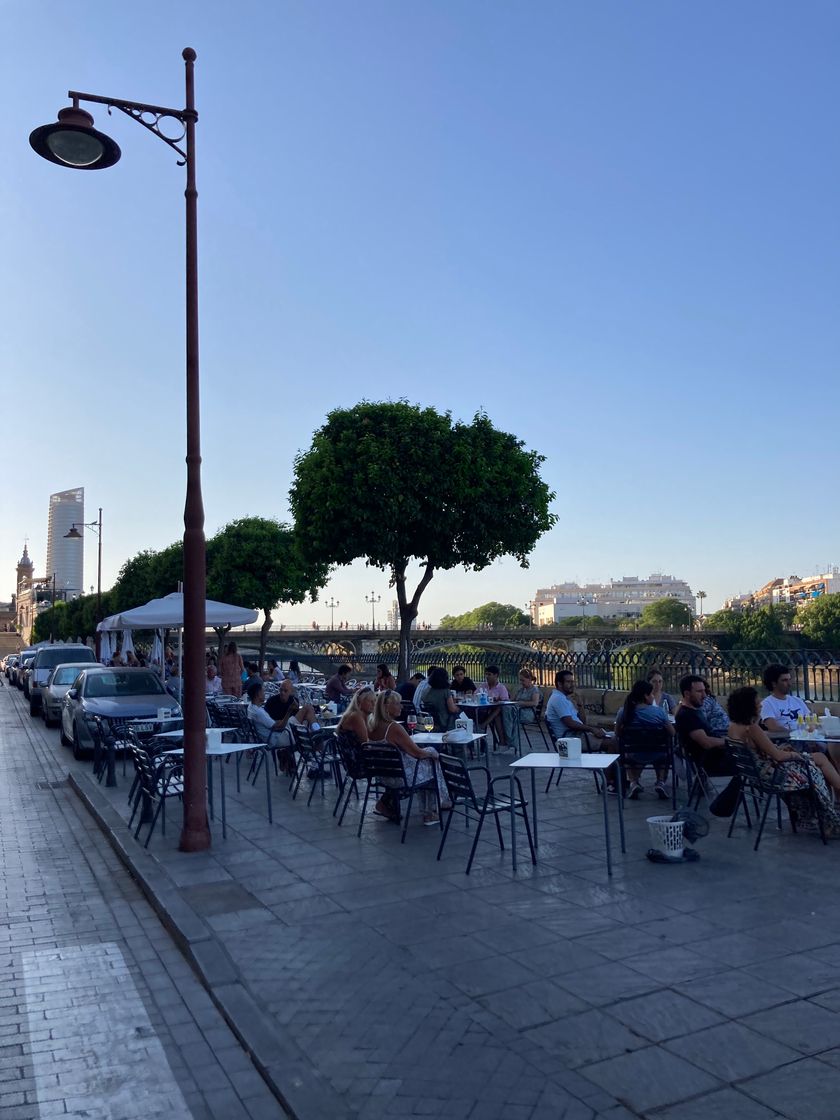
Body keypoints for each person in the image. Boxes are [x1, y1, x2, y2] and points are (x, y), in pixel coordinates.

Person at [726, 686, 840, 833]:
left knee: (817, 759)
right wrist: (795, 755)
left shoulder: (733, 727)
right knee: (819, 761)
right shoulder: (752, 729)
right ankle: (830, 813)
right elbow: (778, 756)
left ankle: (824, 812)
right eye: (757, 702)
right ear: (748, 706)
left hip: (756, 776)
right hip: (775, 777)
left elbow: (764, 752)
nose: (760, 704)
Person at [367, 690, 449, 825]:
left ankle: (436, 806)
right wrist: (434, 754)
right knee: (432, 761)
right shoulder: (394, 728)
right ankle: (431, 811)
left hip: (383, 775)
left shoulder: (371, 724)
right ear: (386, 706)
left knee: (429, 758)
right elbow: (417, 753)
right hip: (400, 778)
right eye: (397, 703)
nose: (401, 707)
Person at [675, 674, 737, 789]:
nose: (704, 695)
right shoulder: (688, 715)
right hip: (711, 762)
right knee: (751, 766)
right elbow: (706, 742)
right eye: (699, 692)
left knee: (753, 763)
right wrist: (730, 742)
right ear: (687, 694)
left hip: (716, 757)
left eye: (704, 691)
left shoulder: (694, 711)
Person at [615, 680, 674, 799]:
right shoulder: (659, 712)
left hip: (634, 754)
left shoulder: (624, 712)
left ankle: (633, 782)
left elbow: (617, 733)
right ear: (646, 696)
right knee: (663, 750)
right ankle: (660, 781)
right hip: (658, 754)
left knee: (628, 752)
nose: (653, 696)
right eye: (651, 694)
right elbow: (672, 733)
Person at [545, 671, 607, 743]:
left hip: (578, 735)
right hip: (571, 739)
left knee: (616, 737)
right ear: (559, 684)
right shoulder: (558, 699)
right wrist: (592, 729)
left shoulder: (564, 698)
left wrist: (580, 705)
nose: (572, 685)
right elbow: (570, 723)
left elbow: (583, 722)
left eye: (573, 682)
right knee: (613, 742)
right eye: (568, 682)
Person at [760, 664, 810, 731]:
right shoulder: (767, 704)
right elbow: (774, 728)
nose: (789, 684)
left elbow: (810, 721)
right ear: (774, 684)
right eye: (784, 680)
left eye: (789, 679)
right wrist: (795, 733)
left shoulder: (797, 701)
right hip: (785, 739)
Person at [423, 667, 459, 731]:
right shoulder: (445, 691)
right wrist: (459, 708)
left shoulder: (427, 691)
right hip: (444, 721)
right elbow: (452, 709)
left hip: (432, 720)